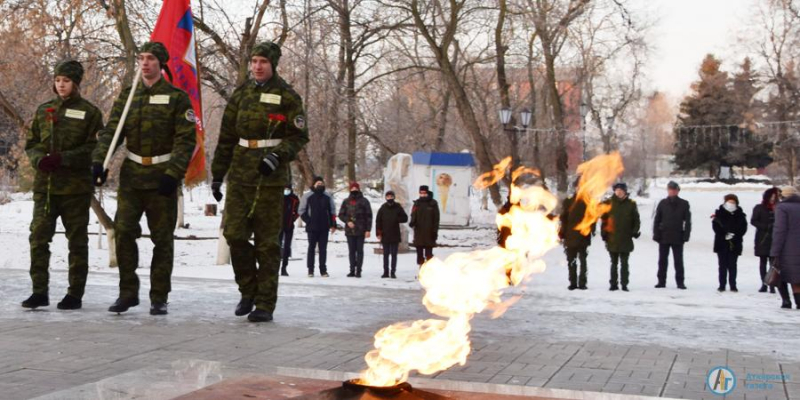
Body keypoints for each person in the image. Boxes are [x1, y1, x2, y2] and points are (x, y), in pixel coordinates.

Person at [92, 43, 196, 315]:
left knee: (162, 239)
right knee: (124, 231)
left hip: (162, 177)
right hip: (133, 176)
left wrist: (173, 174)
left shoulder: (176, 97)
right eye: (141, 58)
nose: (145, 63)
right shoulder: (129, 96)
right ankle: (128, 292)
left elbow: (186, 141)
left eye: (150, 59)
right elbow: (112, 132)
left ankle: (159, 296)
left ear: (161, 63)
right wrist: (99, 162)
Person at [210, 41, 310, 322]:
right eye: (254, 61)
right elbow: (227, 137)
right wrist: (218, 175)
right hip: (241, 175)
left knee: (267, 244)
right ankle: (248, 289)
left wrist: (278, 156)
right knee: (234, 234)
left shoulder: (287, 96)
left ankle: (265, 303)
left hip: (269, 178)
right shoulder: (241, 95)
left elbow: (299, 136)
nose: (257, 66)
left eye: (263, 62)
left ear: (273, 64)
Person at [22, 60, 103, 310]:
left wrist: (65, 159)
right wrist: (39, 160)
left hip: (75, 189)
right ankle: (39, 291)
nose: (61, 85)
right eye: (58, 80)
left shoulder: (90, 113)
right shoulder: (44, 110)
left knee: (77, 241)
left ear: (75, 83)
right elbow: (32, 142)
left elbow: (95, 147)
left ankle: (75, 293)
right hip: (45, 188)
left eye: (66, 81)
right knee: (38, 238)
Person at [601, 183, 641, 292]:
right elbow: (604, 220)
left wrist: (634, 231)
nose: (619, 192)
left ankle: (624, 284)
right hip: (612, 238)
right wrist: (604, 233)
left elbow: (636, 220)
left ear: (625, 191)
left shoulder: (631, 204)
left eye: (621, 190)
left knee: (624, 263)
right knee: (613, 263)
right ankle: (613, 284)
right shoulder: (608, 203)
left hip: (625, 238)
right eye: (617, 190)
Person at [653, 181, 691, 289]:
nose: (672, 191)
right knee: (662, 261)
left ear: (678, 191)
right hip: (664, 236)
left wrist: (686, 235)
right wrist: (656, 234)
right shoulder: (662, 203)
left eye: (674, 190)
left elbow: (688, 221)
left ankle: (680, 282)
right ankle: (661, 281)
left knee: (678, 261)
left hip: (678, 236)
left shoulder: (684, 203)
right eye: (670, 190)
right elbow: (657, 220)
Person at [299, 176, 337, 278]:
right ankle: (310, 270)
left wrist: (333, 224)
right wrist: (308, 221)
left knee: (323, 249)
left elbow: (332, 211)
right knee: (311, 248)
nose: (320, 185)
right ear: (314, 185)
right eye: (318, 184)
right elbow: (301, 210)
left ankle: (323, 270)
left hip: (324, 227)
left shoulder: (328, 196)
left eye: (321, 184)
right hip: (312, 228)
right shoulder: (307, 196)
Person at [559, 185, 594, 290]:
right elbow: (563, 219)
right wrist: (562, 232)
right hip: (570, 236)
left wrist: (589, 230)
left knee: (583, 261)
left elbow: (593, 218)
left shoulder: (588, 202)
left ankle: (582, 283)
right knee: (571, 261)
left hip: (583, 237)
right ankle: (573, 282)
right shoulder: (569, 202)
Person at [771, 185, 800, 309]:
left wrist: (775, 250)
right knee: (797, 278)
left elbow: (780, 230)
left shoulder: (782, 207)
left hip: (787, 249)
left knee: (781, 274)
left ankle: (787, 301)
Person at [712, 194, 748, 292]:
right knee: (722, 265)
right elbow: (715, 227)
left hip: (735, 243)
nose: (731, 204)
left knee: (733, 265)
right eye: (729, 202)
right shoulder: (719, 213)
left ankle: (733, 285)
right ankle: (722, 285)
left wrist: (735, 235)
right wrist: (724, 235)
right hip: (721, 243)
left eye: (733, 202)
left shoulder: (740, 214)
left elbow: (743, 228)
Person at [338, 182, 373, 278]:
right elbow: (341, 214)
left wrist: (368, 230)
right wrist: (347, 221)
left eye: (355, 188)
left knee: (360, 251)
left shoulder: (364, 201)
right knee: (351, 251)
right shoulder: (346, 201)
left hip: (361, 230)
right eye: (352, 188)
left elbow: (369, 216)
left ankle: (359, 270)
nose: (354, 190)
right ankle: (352, 270)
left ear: (358, 189)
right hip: (349, 231)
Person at [751, 187, 779, 293]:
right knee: (763, 261)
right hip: (762, 238)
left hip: (775, 238)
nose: (773, 198)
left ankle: (772, 283)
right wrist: (765, 226)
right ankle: (763, 283)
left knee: (773, 263)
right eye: (771, 196)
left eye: (775, 197)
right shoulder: (759, 208)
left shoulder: (779, 207)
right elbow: (754, 221)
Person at [376, 191, 408, 278]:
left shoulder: (398, 207)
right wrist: (378, 233)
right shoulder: (383, 208)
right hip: (385, 234)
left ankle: (393, 272)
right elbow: (378, 221)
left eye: (391, 196)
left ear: (394, 197)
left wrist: (397, 218)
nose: (389, 198)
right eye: (388, 197)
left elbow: (405, 218)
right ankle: (385, 272)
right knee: (385, 254)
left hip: (395, 234)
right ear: (386, 198)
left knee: (394, 254)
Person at [409, 185, 440, 268]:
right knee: (419, 253)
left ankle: (429, 268)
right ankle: (421, 268)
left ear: (427, 192)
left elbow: (436, 219)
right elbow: (413, 215)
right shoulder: (417, 203)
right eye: (421, 193)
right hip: (419, 232)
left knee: (429, 254)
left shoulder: (433, 203)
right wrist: (412, 222)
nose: (422, 194)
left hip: (429, 232)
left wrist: (434, 231)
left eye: (424, 193)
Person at [280, 184, 300, 276]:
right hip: (278, 226)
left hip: (289, 226)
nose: (286, 190)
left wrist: (293, 218)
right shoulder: (278, 197)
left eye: (288, 189)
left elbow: (298, 211)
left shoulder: (294, 199)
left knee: (287, 247)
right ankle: (275, 267)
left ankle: (284, 267)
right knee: (276, 246)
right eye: (284, 189)